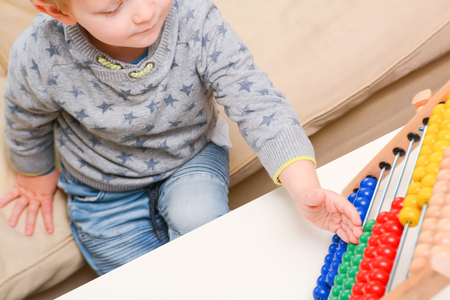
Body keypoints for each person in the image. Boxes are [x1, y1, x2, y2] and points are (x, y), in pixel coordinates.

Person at [0, 0, 363, 275]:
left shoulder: (195, 18)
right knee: (139, 279)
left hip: (190, 157)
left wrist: (305, 189)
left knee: (203, 224)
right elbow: (24, 117)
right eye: (112, 9)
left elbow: (256, 102)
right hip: (102, 189)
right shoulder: (38, 53)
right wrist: (35, 173)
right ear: (58, 11)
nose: (144, 13)